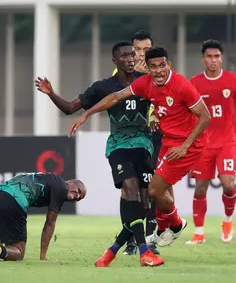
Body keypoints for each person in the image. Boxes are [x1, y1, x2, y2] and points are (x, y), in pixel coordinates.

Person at [68, 46, 211, 265]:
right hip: (165, 143)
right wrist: (86, 114)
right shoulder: (145, 84)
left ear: (168, 65)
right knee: (148, 195)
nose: (158, 71)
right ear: (148, 68)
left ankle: (169, 226)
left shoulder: (182, 85)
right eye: (153, 66)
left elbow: (205, 116)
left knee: (153, 190)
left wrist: (185, 145)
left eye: (162, 65)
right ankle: (165, 227)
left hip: (186, 146)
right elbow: (116, 97)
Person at [35, 40, 161, 267]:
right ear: (115, 61)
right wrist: (51, 93)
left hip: (144, 145)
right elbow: (70, 108)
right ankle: (144, 251)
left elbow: (165, 103)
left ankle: (112, 251)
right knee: (130, 189)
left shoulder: (146, 81)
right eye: (124, 56)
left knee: (144, 202)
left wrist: (156, 116)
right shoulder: (103, 87)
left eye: (132, 55)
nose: (130, 59)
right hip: (119, 146)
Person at [185, 39, 236, 244]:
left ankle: (227, 221)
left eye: (217, 56)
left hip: (227, 141)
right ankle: (199, 232)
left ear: (222, 58)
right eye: (209, 57)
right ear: (203, 59)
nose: (213, 60)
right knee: (201, 187)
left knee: (228, 184)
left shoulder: (233, 80)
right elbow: (188, 113)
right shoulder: (194, 83)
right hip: (203, 144)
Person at [111, 30, 161, 257]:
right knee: (127, 190)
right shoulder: (121, 74)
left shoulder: (158, 73)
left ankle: (150, 238)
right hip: (130, 139)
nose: (141, 55)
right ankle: (131, 239)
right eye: (137, 50)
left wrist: (156, 113)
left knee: (152, 189)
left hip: (155, 137)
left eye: (146, 50)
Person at [0, 172, 86, 261]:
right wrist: (43, 256)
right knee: (18, 252)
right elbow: (50, 223)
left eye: (80, 197)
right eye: (79, 191)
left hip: (2, 190)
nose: (77, 196)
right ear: (70, 182)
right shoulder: (62, 187)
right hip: (15, 200)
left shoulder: (49, 178)